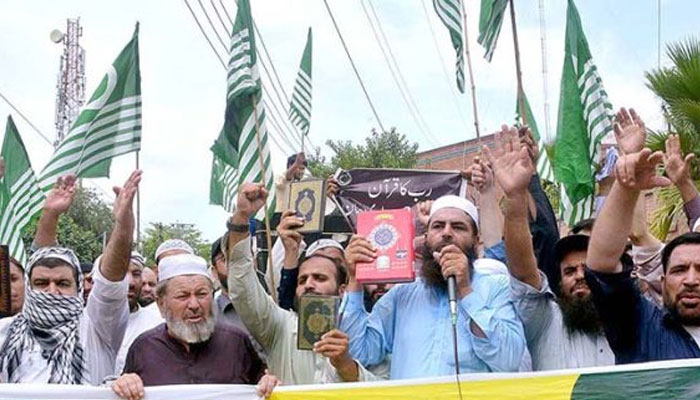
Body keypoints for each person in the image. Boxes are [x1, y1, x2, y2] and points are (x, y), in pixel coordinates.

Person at [340, 192, 526, 379]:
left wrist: (465, 291)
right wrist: (355, 279)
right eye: (438, 226)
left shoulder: (497, 286)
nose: (446, 232)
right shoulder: (402, 294)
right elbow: (360, 353)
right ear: (427, 237)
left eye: (458, 227)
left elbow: (508, 360)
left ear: (476, 241)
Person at [484, 126, 614, 370]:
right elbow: (524, 272)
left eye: (587, 268)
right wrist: (514, 196)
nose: (579, 276)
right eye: (569, 271)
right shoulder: (544, 320)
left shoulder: (628, 318)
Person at [225, 183, 376, 384]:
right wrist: (241, 217)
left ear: (341, 290)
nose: (309, 284)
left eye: (320, 278)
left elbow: (388, 387)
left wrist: (346, 366)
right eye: (302, 279)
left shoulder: (359, 331)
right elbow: (242, 284)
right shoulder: (279, 326)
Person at [0, 171, 140, 384]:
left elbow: (110, 281)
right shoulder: (5, 332)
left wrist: (123, 226)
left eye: (63, 283)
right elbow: (43, 259)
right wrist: (49, 214)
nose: (52, 291)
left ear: (78, 288)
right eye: (41, 284)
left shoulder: (96, 328)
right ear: (29, 286)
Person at [586, 138, 700, 362]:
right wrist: (625, 186)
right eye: (679, 270)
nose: (691, 280)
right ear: (663, 281)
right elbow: (602, 267)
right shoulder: (640, 327)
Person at [113, 254, 276, 400]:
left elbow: (263, 384)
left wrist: (268, 382)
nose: (194, 305)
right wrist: (124, 384)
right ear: (161, 304)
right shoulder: (144, 348)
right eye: (183, 296)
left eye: (201, 294)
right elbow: (122, 389)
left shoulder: (236, 342)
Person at [113, 252, 163, 375]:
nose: (130, 283)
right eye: (122, 272)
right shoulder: (84, 323)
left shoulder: (158, 324)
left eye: (136, 274)